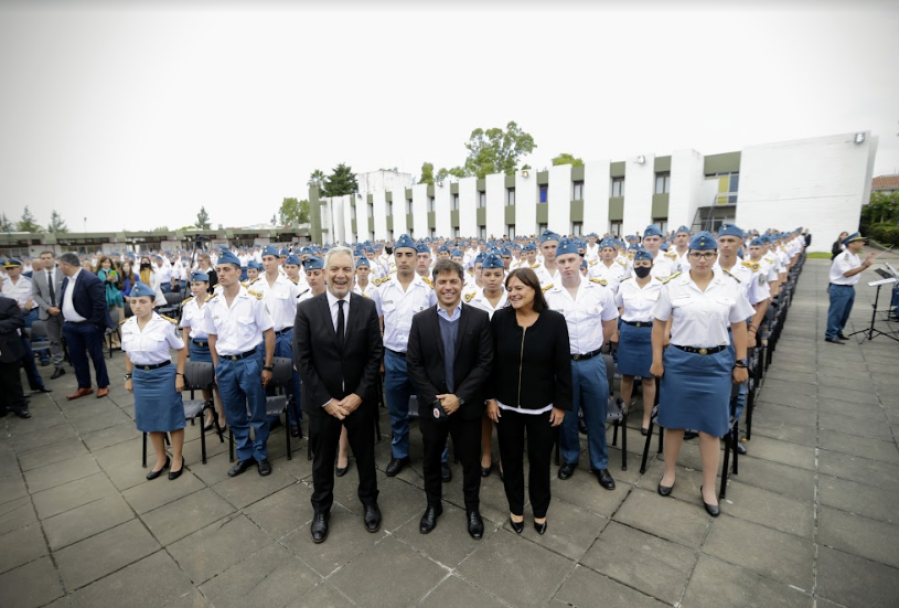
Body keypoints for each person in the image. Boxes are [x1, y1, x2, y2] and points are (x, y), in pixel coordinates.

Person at [650, 231, 754, 517]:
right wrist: (657, 360)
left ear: (715, 255)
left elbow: (739, 327)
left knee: (711, 428)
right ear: (688, 256)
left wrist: (741, 363)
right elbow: (659, 326)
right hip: (681, 362)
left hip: (716, 363)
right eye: (697, 254)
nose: (703, 259)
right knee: (674, 423)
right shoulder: (673, 286)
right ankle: (668, 473)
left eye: (708, 254)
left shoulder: (730, 286)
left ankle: (708, 487)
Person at [294, 246, 384, 543]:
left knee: (366, 456)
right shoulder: (307, 309)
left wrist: (358, 395)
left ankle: (369, 501)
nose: (341, 275)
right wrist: (327, 401)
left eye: (347, 269)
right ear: (324, 272)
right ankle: (321, 509)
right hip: (323, 403)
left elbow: (374, 356)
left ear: (355, 271)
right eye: (335, 269)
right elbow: (303, 361)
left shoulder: (367, 307)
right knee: (322, 460)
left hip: (359, 400)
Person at [407, 259, 493, 539]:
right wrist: (437, 399)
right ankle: (433, 506)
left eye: (453, 281)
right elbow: (414, 364)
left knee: (470, 461)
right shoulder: (420, 321)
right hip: (433, 407)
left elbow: (484, 363)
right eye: (442, 282)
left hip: (466, 408)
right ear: (434, 285)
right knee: (431, 460)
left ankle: (472, 509)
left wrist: (460, 397)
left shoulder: (479, 319)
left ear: (462, 284)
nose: (447, 287)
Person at [486, 268, 572, 535]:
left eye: (519, 288)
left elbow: (563, 367)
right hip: (506, 407)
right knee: (510, 460)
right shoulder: (500, 319)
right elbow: (489, 363)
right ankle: (515, 508)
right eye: (510, 288)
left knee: (539, 461)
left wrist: (560, 404)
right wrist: (489, 398)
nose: (513, 293)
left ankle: (540, 510)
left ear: (535, 290)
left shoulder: (554, 321)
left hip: (542, 408)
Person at [544, 238, 619, 490]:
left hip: (592, 361)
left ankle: (599, 463)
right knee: (566, 416)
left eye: (571, 260)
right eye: (561, 261)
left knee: (596, 416)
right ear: (556, 263)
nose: (567, 266)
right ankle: (571, 458)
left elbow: (609, 324)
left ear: (580, 260)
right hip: (563, 366)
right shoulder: (548, 296)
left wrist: (594, 345)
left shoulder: (600, 291)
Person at [202, 250, 276, 477]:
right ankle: (245, 455)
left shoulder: (252, 299)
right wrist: (217, 367)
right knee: (234, 414)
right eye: (218, 270)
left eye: (226, 269)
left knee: (258, 412)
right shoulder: (212, 304)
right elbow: (212, 338)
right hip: (225, 364)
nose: (221, 274)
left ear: (238, 272)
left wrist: (267, 366)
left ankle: (262, 454)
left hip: (249, 362)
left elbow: (269, 333)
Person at [370, 234, 438, 478]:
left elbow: (435, 324)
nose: (404, 260)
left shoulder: (428, 289)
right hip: (394, 358)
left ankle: (437, 457)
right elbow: (377, 321)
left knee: (431, 410)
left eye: (410, 255)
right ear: (394, 257)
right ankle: (400, 454)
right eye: (399, 255)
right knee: (397, 412)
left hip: (422, 360)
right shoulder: (382, 288)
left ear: (417, 258)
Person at [122, 282, 188, 480]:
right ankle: (161, 459)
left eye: (142, 301)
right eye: (133, 302)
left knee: (172, 418)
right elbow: (128, 352)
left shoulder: (165, 324)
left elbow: (182, 349)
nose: (137, 306)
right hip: (141, 377)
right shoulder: (127, 326)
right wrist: (128, 376)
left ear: (153, 303)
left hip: (163, 375)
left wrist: (179, 375)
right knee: (149, 420)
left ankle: (177, 458)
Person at [463, 253, 508, 477]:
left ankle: (505, 457)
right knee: (483, 412)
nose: (492, 278)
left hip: (506, 362)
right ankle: (487, 453)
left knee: (505, 413)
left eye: (497, 274)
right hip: (480, 362)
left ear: (503, 275)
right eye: (487, 274)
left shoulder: (512, 297)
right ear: (479, 273)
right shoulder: (469, 297)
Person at [252, 245, 302, 437]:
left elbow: (299, 314)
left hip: (285, 336)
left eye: (270, 259)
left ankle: (294, 418)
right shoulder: (256, 287)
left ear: (279, 261)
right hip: (265, 339)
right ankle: (272, 417)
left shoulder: (289, 285)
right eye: (264, 260)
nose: (266, 263)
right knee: (267, 380)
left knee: (291, 380)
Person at [614, 249, 662, 435]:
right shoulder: (625, 285)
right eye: (638, 264)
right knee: (626, 376)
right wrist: (616, 330)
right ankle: (622, 411)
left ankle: (646, 418)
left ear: (651, 265)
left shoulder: (660, 286)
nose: (641, 267)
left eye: (645, 264)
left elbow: (666, 312)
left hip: (650, 332)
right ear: (633, 265)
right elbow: (618, 305)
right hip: (629, 330)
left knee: (648, 378)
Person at [57, 252, 112, 399]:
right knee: (77, 357)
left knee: (96, 356)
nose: (59, 268)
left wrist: (93, 324)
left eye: (60, 265)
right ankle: (84, 386)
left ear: (67, 265)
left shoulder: (90, 279)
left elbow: (100, 304)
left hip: (88, 325)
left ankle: (102, 385)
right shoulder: (66, 280)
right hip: (71, 326)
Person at [179, 271, 226, 431]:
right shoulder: (188, 305)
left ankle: (222, 415)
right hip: (196, 347)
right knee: (204, 385)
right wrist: (185, 348)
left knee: (217, 382)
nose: (194, 287)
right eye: (192, 284)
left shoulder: (215, 303)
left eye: (198, 284)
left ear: (207, 285)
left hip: (212, 346)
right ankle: (211, 414)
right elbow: (185, 328)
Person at [1, 259, 51, 393]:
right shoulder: (3, 284)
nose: (10, 270)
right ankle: (18, 392)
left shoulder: (28, 281)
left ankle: (38, 383)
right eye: (8, 269)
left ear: (20, 268)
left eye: (13, 268)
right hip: (10, 323)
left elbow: (37, 296)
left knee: (31, 351)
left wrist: (27, 308)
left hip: (28, 314)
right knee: (15, 360)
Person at [825, 232, 876, 344]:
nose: (863, 243)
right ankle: (831, 334)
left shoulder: (854, 256)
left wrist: (865, 262)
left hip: (849, 288)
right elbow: (847, 273)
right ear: (851, 244)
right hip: (840, 288)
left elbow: (855, 268)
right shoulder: (844, 257)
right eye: (859, 241)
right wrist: (865, 266)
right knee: (836, 313)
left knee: (845, 313)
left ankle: (838, 331)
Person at [31, 251, 67, 379]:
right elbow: (35, 294)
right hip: (47, 313)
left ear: (54, 259)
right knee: (54, 341)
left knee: (70, 337)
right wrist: (48, 308)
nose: (46, 260)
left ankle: (75, 360)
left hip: (63, 311)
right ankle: (59, 366)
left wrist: (59, 306)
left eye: (48, 258)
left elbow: (67, 291)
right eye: (43, 258)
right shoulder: (36, 276)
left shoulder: (62, 272)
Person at [0, 295, 32, 418]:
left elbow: (18, 320)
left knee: (12, 380)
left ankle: (20, 406)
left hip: (7, 348)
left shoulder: (7, 302)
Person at [97, 256, 124, 348]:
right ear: (101, 263)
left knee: (117, 320)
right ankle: (110, 343)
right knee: (107, 321)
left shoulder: (115, 272)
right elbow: (98, 287)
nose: (106, 264)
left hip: (115, 299)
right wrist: (107, 281)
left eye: (108, 262)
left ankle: (118, 341)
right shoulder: (97, 274)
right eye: (104, 262)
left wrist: (115, 281)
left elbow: (120, 287)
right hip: (104, 300)